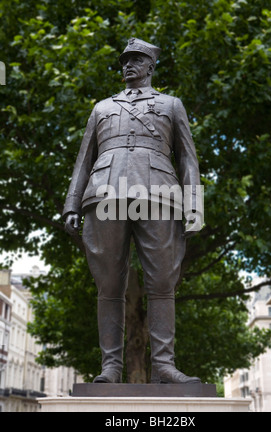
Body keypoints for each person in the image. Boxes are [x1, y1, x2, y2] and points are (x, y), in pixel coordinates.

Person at [63, 38, 202, 384]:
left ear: (151, 66)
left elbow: (187, 158)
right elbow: (84, 160)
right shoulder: (101, 108)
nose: (128, 65)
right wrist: (71, 203)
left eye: (137, 60)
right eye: (125, 60)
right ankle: (110, 367)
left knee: (162, 281)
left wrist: (195, 205)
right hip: (105, 195)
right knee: (108, 283)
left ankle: (164, 366)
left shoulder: (171, 105)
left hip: (158, 194)